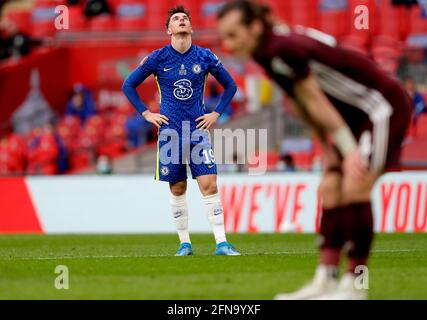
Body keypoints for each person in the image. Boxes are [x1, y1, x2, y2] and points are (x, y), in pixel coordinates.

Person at [217, 0, 411, 299]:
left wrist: (347, 150)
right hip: (352, 115)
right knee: (330, 189)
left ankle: (356, 286)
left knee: (355, 185)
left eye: (233, 35)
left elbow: (315, 100)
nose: (227, 45)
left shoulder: (281, 48)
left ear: (254, 27)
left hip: (380, 106)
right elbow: (301, 104)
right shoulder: (266, 51)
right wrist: (327, 150)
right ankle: (326, 280)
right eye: (224, 37)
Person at [122, 5, 239, 256]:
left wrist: (216, 113)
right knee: (178, 188)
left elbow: (230, 86)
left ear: (191, 27)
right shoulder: (158, 58)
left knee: (209, 184)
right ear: (169, 30)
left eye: (185, 18)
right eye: (176, 19)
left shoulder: (205, 56)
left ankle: (221, 243)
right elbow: (128, 85)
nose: (181, 20)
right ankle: (185, 243)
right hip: (170, 132)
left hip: (197, 130)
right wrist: (146, 113)